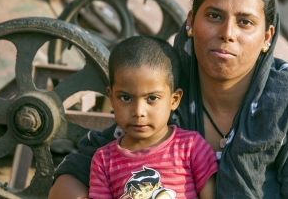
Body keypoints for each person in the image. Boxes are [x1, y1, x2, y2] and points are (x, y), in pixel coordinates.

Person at [49, 0, 288, 199]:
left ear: (267, 37)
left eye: (245, 22)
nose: (227, 32)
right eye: (214, 16)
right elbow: (83, 166)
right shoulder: (164, 95)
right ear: (191, 22)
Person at [89, 36, 217, 199]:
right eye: (126, 98)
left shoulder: (191, 148)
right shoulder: (104, 161)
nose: (138, 111)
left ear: (174, 100)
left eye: (152, 98)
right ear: (111, 97)